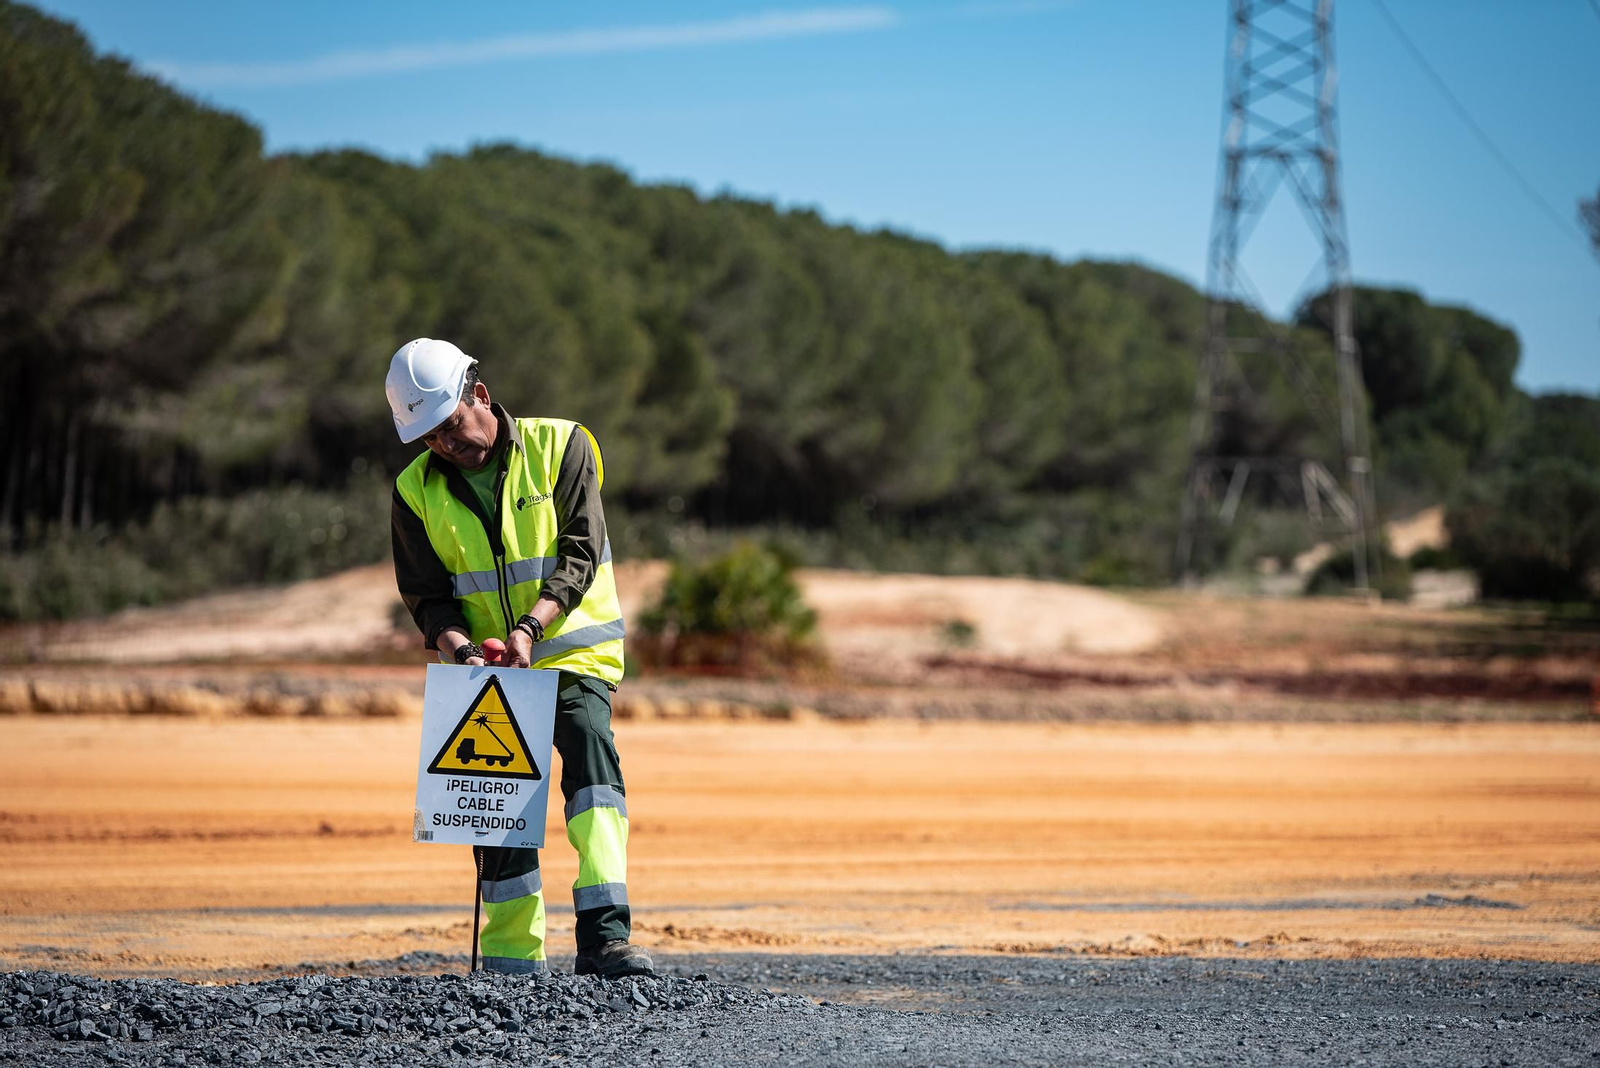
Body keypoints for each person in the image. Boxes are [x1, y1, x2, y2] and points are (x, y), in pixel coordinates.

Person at [385, 337, 652, 979]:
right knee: (496, 801)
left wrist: (531, 629)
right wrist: (464, 651)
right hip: (487, 670)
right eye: (432, 438)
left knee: (590, 754)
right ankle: (510, 962)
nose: (447, 445)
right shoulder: (414, 490)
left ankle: (606, 940)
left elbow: (579, 553)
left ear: (478, 395)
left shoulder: (565, 446)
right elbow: (427, 596)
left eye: (451, 427)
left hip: (568, 652)